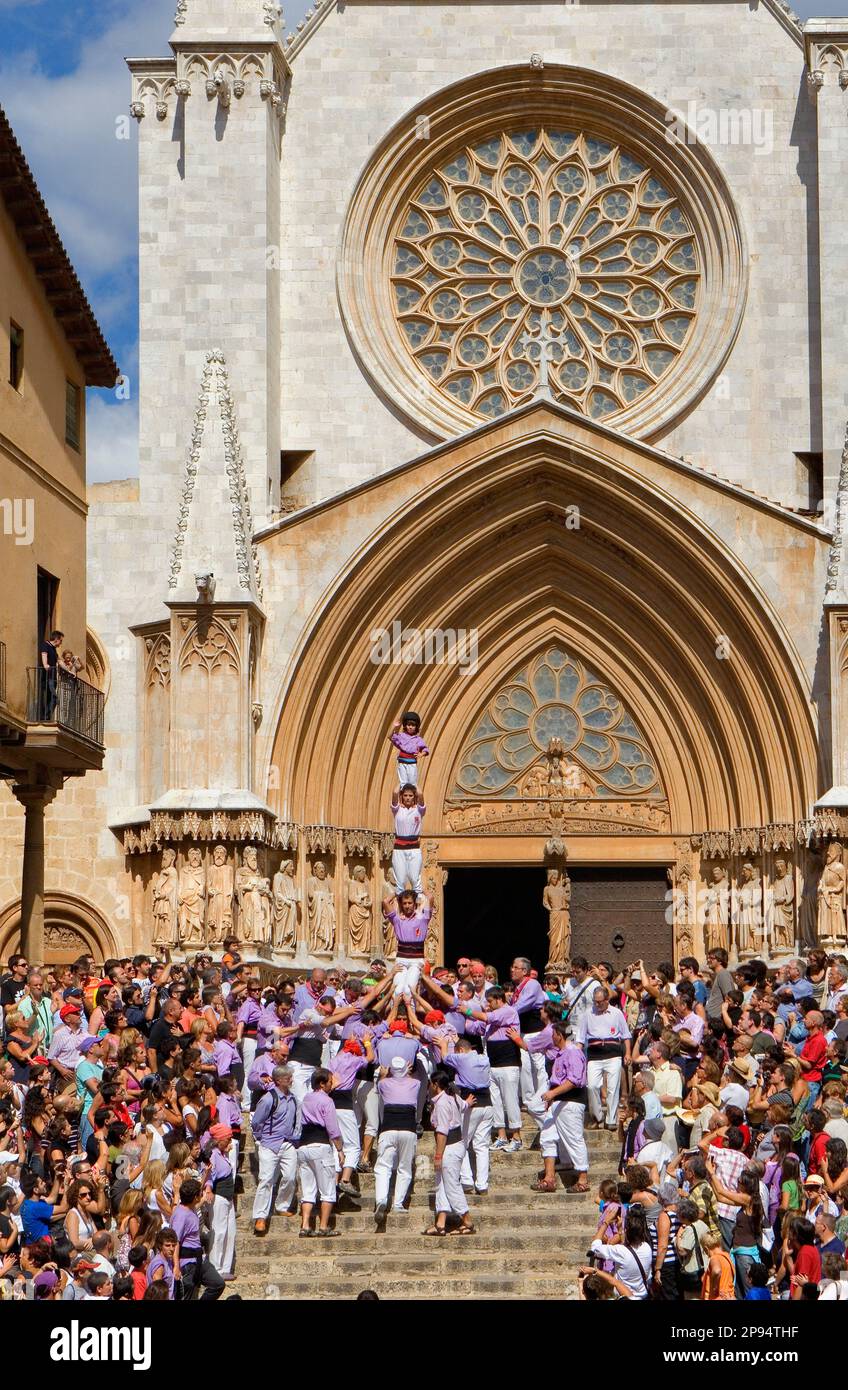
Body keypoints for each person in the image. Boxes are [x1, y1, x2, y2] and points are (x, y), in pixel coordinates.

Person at [531, 1020, 589, 1194]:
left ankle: (583, 1179)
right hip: (557, 1102)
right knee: (547, 1137)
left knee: (574, 1139)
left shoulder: (573, 1053)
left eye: (554, 1033)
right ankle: (549, 1178)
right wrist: (552, 1096)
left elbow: (574, 1080)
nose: (552, 1036)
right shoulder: (560, 1053)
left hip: (570, 1102)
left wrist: (552, 1094)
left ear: (559, 1035)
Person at [462, 986, 522, 1150]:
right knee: (495, 1101)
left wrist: (467, 1011)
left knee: (510, 1101)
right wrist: (464, 1016)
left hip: (508, 1063)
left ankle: (516, 1137)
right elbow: (474, 1027)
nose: (488, 1005)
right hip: (493, 1064)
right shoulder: (493, 1019)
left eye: (490, 1002)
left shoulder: (508, 1011)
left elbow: (487, 1018)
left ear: (498, 999)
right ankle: (502, 1135)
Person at [251, 1065, 299, 1235]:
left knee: (290, 1176)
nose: (291, 1080)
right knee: (266, 1179)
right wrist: (260, 1138)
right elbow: (256, 1121)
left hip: (288, 1143)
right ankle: (260, 1216)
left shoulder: (293, 1099)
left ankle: (282, 1205)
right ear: (278, 1080)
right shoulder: (268, 1099)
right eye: (288, 1078)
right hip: (270, 1144)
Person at [425, 1067, 473, 1237]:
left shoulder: (443, 1103)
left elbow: (442, 1131)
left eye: (431, 1083)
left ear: (435, 1084)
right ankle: (441, 1223)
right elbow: (464, 1105)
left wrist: (438, 1155)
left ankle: (467, 1220)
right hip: (454, 1146)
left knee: (451, 1185)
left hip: (449, 1148)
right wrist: (469, 1102)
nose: (429, 1086)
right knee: (442, 1185)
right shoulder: (453, 1097)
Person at [297, 1069, 343, 1237]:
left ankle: (306, 1225)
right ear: (322, 1084)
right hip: (320, 1145)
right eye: (330, 1081)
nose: (332, 1084)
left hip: (303, 1146)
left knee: (308, 1189)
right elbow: (333, 1129)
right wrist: (340, 1149)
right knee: (327, 1189)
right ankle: (323, 1226)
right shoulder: (327, 1101)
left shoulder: (306, 1098)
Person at [373, 1055, 419, 1222]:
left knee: (383, 1167)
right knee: (404, 1167)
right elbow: (412, 1080)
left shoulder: (383, 1083)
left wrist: (384, 1074)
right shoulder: (415, 1083)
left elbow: (379, 1087)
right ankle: (398, 1204)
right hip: (408, 1128)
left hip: (388, 1128)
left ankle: (381, 1200)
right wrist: (407, 1072)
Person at [578, 986, 631, 1130]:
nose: (597, 1005)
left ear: (607, 1000)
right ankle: (597, 1116)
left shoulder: (617, 1013)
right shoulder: (588, 1014)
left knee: (613, 1087)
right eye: (595, 1002)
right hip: (594, 1054)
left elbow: (626, 1036)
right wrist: (577, 1056)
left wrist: (628, 1054)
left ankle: (611, 1119)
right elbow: (580, 1039)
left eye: (600, 1002)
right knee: (592, 1086)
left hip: (613, 1053)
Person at [589, 1203, 654, 1300]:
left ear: (627, 1230)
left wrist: (606, 1222)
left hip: (624, 1297)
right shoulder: (647, 1248)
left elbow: (595, 1247)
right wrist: (620, 1230)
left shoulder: (620, 1251)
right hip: (644, 1296)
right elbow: (630, 1251)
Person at [381, 889, 432, 1000]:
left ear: (414, 904)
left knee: (409, 991)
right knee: (397, 990)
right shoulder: (397, 919)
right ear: (401, 904)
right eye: (404, 903)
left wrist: (420, 889)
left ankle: (410, 1014)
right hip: (401, 959)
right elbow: (385, 902)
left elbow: (431, 898)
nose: (407, 905)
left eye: (410, 903)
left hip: (416, 961)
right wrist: (396, 891)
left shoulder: (423, 918)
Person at [390, 784, 427, 898]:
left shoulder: (419, 811)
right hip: (399, 848)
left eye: (410, 795)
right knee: (400, 882)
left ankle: (419, 908)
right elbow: (395, 793)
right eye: (405, 795)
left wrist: (413, 781)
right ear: (402, 797)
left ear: (414, 797)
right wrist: (402, 781)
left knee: (415, 880)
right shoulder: (397, 810)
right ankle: (400, 910)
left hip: (414, 847)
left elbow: (420, 794)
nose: (407, 798)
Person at [388, 710, 429, 788]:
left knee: (412, 783)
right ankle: (402, 798)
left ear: (416, 727)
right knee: (403, 783)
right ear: (405, 726)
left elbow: (425, 749)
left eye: (413, 725)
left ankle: (413, 798)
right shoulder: (401, 736)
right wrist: (395, 726)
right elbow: (390, 736)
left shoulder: (418, 739)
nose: (410, 727)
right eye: (408, 725)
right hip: (402, 762)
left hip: (412, 763)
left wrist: (421, 754)